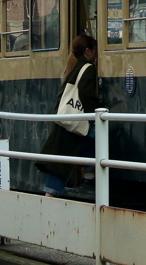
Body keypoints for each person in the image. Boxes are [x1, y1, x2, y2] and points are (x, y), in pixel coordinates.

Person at [36, 33, 99, 197]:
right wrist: (97, 113)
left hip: (66, 120)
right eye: (95, 51)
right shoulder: (88, 68)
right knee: (95, 143)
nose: (96, 55)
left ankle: (51, 193)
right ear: (87, 51)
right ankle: (89, 178)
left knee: (64, 159)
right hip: (77, 120)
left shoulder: (73, 67)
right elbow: (86, 94)